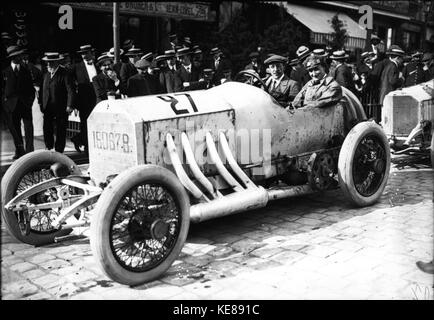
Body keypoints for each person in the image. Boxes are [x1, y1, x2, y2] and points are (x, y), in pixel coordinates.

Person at [2, 45, 35, 159]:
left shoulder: (26, 70)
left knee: (28, 128)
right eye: (18, 56)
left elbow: (31, 89)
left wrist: (30, 102)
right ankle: (19, 150)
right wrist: (5, 105)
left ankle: (30, 151)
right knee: (15, 130)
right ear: (12, 57)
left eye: (20, 55)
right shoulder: (5, 72)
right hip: (11, 107)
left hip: (25, 105)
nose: (20, 57)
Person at [39, 52, 75, 153]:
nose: (48, 65)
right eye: (47, 63)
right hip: (48, 107)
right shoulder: (46, 75)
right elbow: (42, 91)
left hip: (61, 107)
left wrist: (70, 105)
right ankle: (49, 147)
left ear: (56, 62)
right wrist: (41, 104)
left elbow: (71, 91)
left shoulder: (65, 73)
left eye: (50, 63)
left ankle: (59, 150)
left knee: (61, 129)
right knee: (47, 127)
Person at [70, 44, 98, 153]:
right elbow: (69, 82)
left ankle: (78, 139)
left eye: (86, 53)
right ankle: (87, 146)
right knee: (85, 122)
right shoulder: (76, 67)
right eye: (82, 54)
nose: (84, 56)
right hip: (84, 99)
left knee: (96, 122)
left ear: (92, 53)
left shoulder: (97, 65)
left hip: (97, 98)